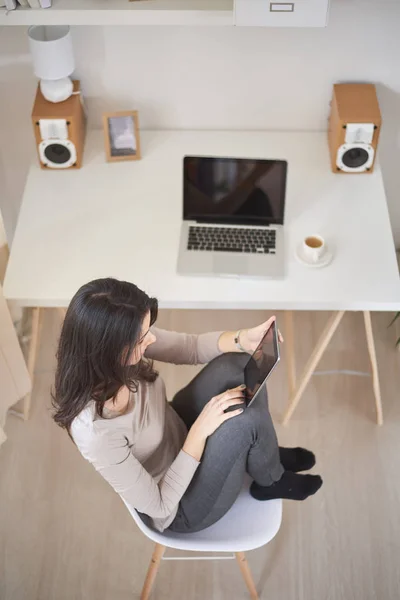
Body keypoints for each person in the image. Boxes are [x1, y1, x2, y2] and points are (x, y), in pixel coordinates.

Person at [52, 278, 322, 534]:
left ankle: (263, 457)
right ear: (109, 350)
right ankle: (271, 481)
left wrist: (243, 338)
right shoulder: (95, 433)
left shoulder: (123, 342)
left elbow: (189, 347)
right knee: (246, 422)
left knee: (238, 364)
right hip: (181, 501)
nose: (151, 341)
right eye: (142, 338)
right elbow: (160, 505)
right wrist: (199, 432)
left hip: (177, 426)